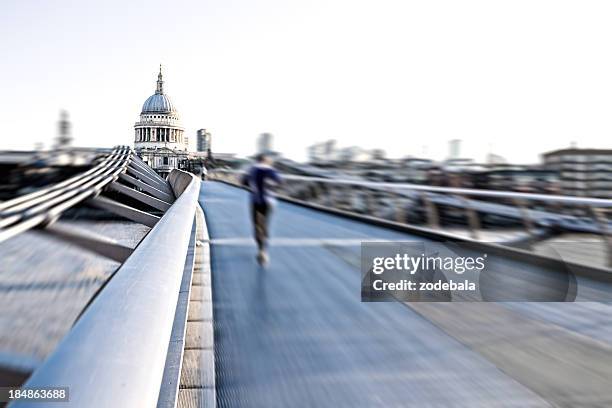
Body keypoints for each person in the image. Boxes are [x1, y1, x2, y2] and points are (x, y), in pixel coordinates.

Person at [242, 153, 281, 265]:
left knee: (256, 225)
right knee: (265, 225)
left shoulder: (252, 169)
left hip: (255, 201)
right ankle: (264, 250)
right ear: (267, 160)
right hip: (269, 202)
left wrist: (252, 187)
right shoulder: (271, 170)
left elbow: (244, 181)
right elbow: (279, 182)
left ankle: (260, 249)